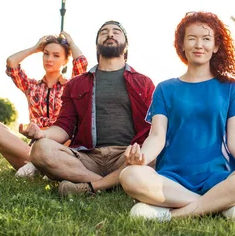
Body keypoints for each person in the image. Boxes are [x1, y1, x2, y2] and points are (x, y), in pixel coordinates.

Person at [119, 12, 235, 222]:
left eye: (206, 39)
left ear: (216, 46)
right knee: (130, 175)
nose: (199, 45)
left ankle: (171, 215)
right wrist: (142, 158)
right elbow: (156, 136)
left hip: (219, 176)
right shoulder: (165, 89)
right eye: (192, 38)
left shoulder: (231, 88)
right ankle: (219, 205)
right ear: (181, 45)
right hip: (172, 178)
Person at [19, 21, 155, 197]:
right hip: (88, 157)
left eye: (116, 32)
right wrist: (42, 134)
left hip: (127, 155)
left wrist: (139, 153)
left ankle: (90, 186)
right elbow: (64, 127)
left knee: (160, 153)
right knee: (40, 149)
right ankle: (110, 184)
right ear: (97, 45)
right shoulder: (77, 83)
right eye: (104, 32)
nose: (110, 34)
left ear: (126, 46)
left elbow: (155, 126)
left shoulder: (144, 82)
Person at [0, 32, 87, 177]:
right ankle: (37, 164)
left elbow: (81, 65)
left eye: (56, 55)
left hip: (62, 146)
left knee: (68, 139)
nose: (49, 59)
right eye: (46, 54)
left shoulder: (71, 85)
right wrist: (35, 48)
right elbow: (12, 63)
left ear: (65, 61)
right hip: (33, 147)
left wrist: (71, 43)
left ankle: (37, 165)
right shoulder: (31, 86)